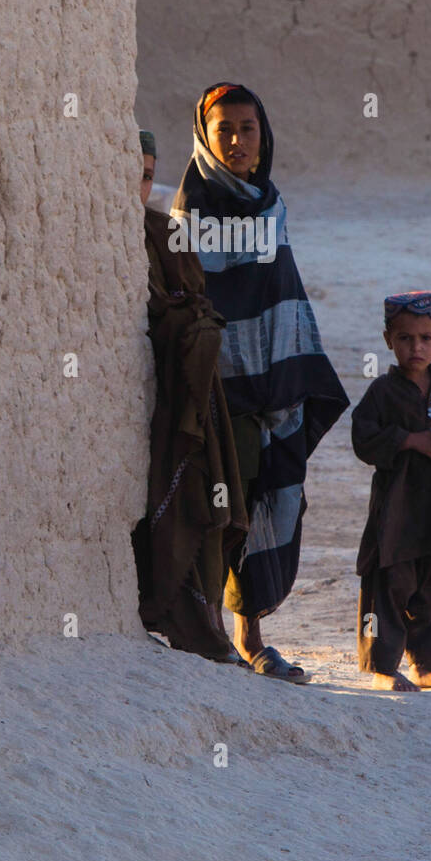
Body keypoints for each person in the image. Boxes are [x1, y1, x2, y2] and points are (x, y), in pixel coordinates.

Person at [171, 84, 349, 681]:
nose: (239, 141)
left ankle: (249, 634)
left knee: (268, 493)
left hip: (271, 384)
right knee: (226, 504)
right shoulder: (191, 209)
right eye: (225, 129)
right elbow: (185, 301)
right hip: (220, 389)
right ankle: (222, 633)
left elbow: (282, 291)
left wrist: (292, 368)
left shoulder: (271, 205)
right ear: (205, 133)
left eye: (249, 129)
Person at [132, 129, 249, 662]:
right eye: (129, 172)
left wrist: (190, 320)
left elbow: (193, 297)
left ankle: (208, 628)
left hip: (189, 390)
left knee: (203, 499)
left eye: (147, 176)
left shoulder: (164, 231)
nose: (137, 185)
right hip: (153, 397)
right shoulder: (106, 238)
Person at [351, 290, 431, 691]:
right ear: (389, 339)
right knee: (390, 582)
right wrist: (410, 441)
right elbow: (363, 437)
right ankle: (383, 668)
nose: (416, 347)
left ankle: (427, 665)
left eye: (426, 338)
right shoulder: (382, 392)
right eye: (405, 338)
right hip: (395, 509)